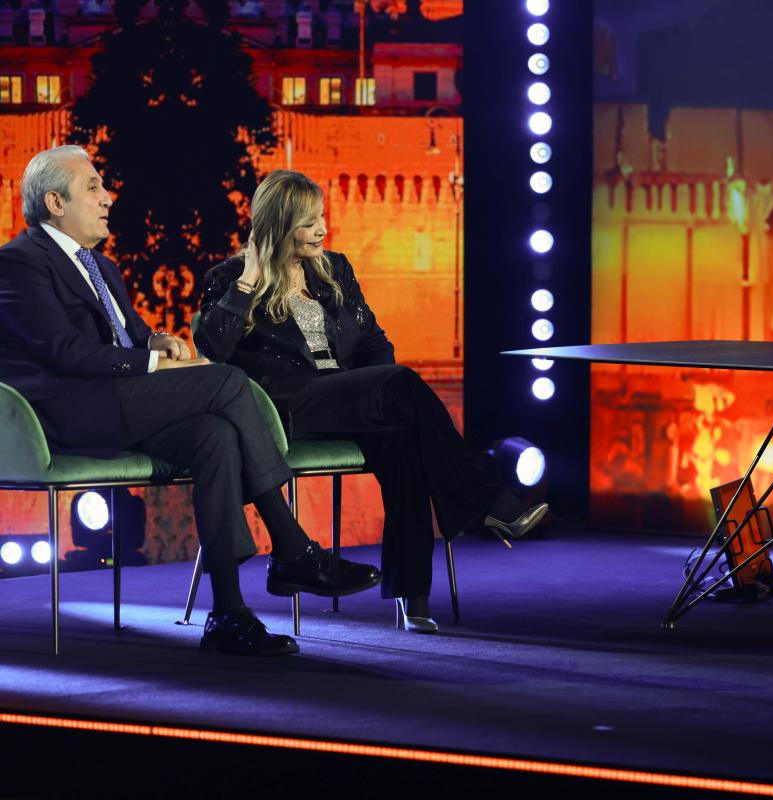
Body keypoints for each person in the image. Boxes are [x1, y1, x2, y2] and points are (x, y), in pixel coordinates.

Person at [0, 146, 382, 656]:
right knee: (227, 382)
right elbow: (64, 351)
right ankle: (292, 547)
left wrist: (157, 342)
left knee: (214, 436)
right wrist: (156, 365)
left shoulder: (101, 266)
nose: (108, 197)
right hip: (66, 414)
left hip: (118, 403)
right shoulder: (19, 262)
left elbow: (130, 336)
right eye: (93, 187)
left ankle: (228, 614)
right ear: (55, 203)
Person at [195, 170, 548, 633]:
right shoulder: (230, 277)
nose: (322, 229)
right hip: (286, 407)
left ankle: (412, 596)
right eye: (308, 222)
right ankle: (484, 499)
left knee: (404, 439)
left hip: (346, 398)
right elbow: (214, 348)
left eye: (322, 217)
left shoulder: (334, 269)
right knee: (400, 384)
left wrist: (374, 389)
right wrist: (249, 281)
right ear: (279, 225)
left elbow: (374, 341)